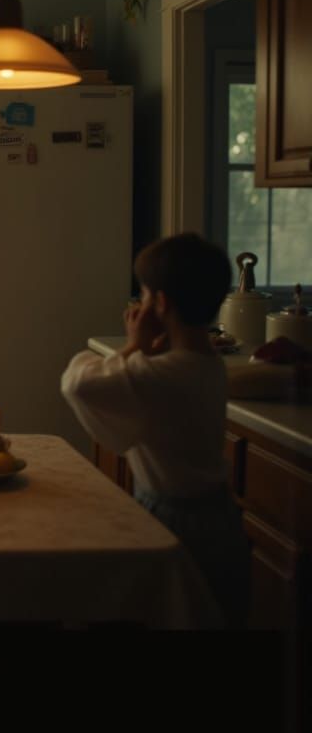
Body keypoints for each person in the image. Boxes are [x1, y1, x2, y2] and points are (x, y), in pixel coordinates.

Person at [60, 232, 250, 628]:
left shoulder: (156, 374)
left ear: (160, 304)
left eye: (144, 296)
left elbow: (76, 383)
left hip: (172, 521)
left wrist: (133, 346)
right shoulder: (207, 364)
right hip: (221, 521)